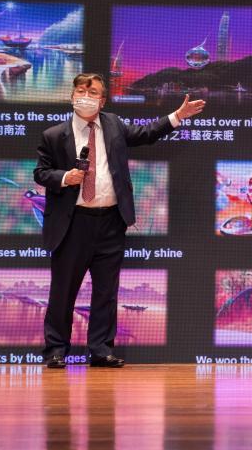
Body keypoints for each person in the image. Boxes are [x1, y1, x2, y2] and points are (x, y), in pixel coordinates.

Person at [34, 73, 205, 368]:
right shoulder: (54, 135)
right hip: (72, 223)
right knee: (63, 290)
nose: (86, 96)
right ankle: (56, 350)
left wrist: (177, 116)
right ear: (72, 96)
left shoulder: (113, 124)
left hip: (111, 221)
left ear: (102, 101)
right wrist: (64, 177)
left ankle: (101, 349)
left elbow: (146, 133)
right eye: (81, 91)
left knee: (106, 291)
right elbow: (41, 173)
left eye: (93, 92)